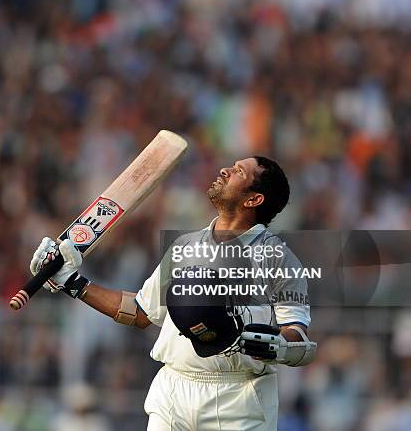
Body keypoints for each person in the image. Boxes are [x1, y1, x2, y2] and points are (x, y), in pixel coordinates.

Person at [29, 156, 317, 430]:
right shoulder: (184, 248)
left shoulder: (279, 258)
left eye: (239, 172)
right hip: (173, 391)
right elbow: (140, 312)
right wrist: (73, 283)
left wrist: (275, 344)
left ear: (254, 199)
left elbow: (299, 338)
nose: (225, 171)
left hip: (240, 397)